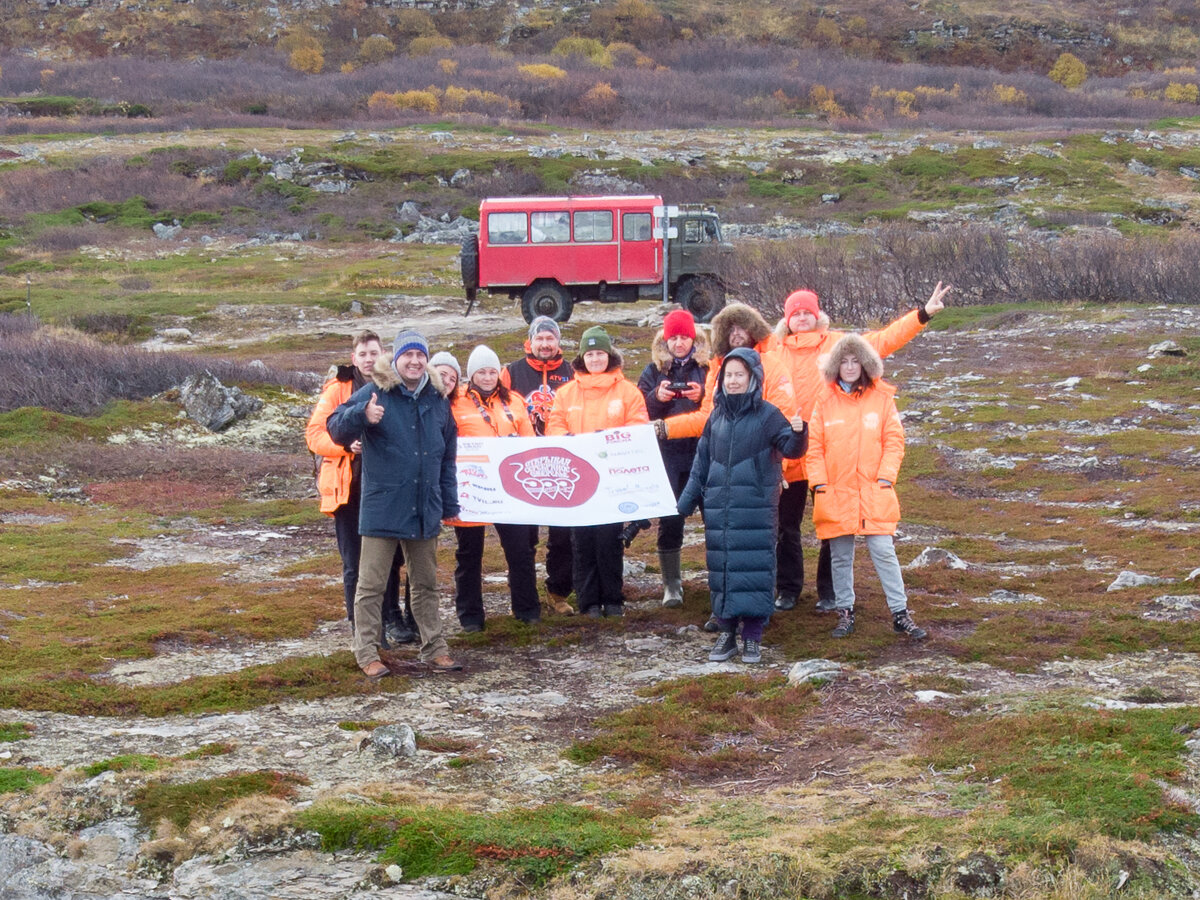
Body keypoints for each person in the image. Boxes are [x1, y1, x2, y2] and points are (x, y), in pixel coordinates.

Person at [770, 283, 952, 614]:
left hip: (832, 449)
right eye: (795, 313)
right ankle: (788, 589)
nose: (801, 318)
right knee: (786, 526)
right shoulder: (772, 351)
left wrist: (922, 315)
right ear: (786, 318)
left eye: (807, 312)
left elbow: (882, 341)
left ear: (817, 315)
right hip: (788, 448)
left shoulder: (838, 343)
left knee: (832, 525)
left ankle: (829, 592)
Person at [327, 328, 462, 677]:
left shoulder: (437, 399)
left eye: (421, 355)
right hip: (382, 506)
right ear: (396, 359)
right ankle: (367, 651)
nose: (415, 361)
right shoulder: (374, 392)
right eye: (408, 355)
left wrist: (448, 502)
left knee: (426, 584)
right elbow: (335, 428)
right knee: (371, 585)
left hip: (423, 506)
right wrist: (361, 417)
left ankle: (434, 647)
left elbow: (446, 457)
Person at [653, 302, 795, 630]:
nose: (736, 336)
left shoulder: (772, 364)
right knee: (724, 545)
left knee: (756, 547)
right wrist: (665, 428)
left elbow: (783, 424)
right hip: (724, 474)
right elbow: (709, 421)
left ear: (754, 329)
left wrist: (782, 469)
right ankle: (724, 610)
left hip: (759, 472)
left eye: (741, 329)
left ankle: (755, 615)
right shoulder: (719, 368)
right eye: (729, 331)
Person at [676, 348, 807, 664]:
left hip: (757, 511)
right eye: (728, 375)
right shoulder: (715, 418)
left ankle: (752, 637)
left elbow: (790, 449)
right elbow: (701, 465)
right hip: (720, 512)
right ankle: (726, 633)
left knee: (756, 570)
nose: (733, 381)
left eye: (740, 375)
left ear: (753, 378)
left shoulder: (768, 415)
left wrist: (801, 433)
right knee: (721, 570)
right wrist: (683, 505)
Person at [807, 334, 928, 641]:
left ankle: (900, 613)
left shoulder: (883, 399)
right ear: (836, 365)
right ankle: (845, 611)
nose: (849, 367)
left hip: (875, 491)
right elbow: (814, 447)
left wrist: (886, 477)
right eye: (843, 361)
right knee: (841, 555)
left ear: (865, 364)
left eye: (855, 360)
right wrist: (820, 483)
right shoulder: (824, 401)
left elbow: (894, 441)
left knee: (883, 551)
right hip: (836, 492)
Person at [305, 329, 414, 646]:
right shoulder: (337, 389)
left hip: (387, 489)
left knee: (391, 560)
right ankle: (361, 628)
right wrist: (344, 445)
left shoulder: (394, 385)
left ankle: (391, 618)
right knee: (355, 563)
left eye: (374, 353)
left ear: (385, 355)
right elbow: (315, 434)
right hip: (349, 491)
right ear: (353, 358)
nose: (369, 359)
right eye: (363, 354)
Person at [546, 326, 649, 618]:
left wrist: (612, 439)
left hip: (613, 478)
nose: (594, 359)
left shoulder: (628, 391)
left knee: (609, 541)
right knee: (581, 541)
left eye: (599, 353)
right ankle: (588, 601)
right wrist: (564, 439)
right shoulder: (566, 393)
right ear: (582, 357)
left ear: (609, 355)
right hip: (577, 480)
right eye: (589, 354)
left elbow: (638, 425)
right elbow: (555, 424)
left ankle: (613, 599)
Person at [450, 345, 541, 631]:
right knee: (469, 553)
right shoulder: (455, 402)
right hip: (472, 488)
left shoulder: (513, 400)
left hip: (511, 487)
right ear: (471, 374)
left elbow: (530, 442)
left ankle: (527, 610)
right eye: (481, 372)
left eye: (492, 371)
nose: (488, 377)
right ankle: (470, 616)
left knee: (521, 550)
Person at [501, 315, 576, 616]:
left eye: (550, 338)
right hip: (525, 464)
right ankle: (524, 593)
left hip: (564, 463)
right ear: (529, 342)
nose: (545, 344)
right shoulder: (511, 373)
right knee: (524, 536)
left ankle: (558, 592)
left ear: (558, 342)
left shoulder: (573, 372)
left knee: (563, 534)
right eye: (540, 338)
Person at [636, 309, 710, 608]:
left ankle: (718, 575)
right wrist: (657, 397)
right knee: (671, 518)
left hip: (704, 452)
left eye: (685, 337)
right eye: (674, 338)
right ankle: (672, 585)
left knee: (714, 517)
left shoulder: (708, 367)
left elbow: (723, 400)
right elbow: (638, 411)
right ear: (664, 340)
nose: (679, 344)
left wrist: (701, 396)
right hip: (667, 456)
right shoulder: (653, 370)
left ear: (694, 338)